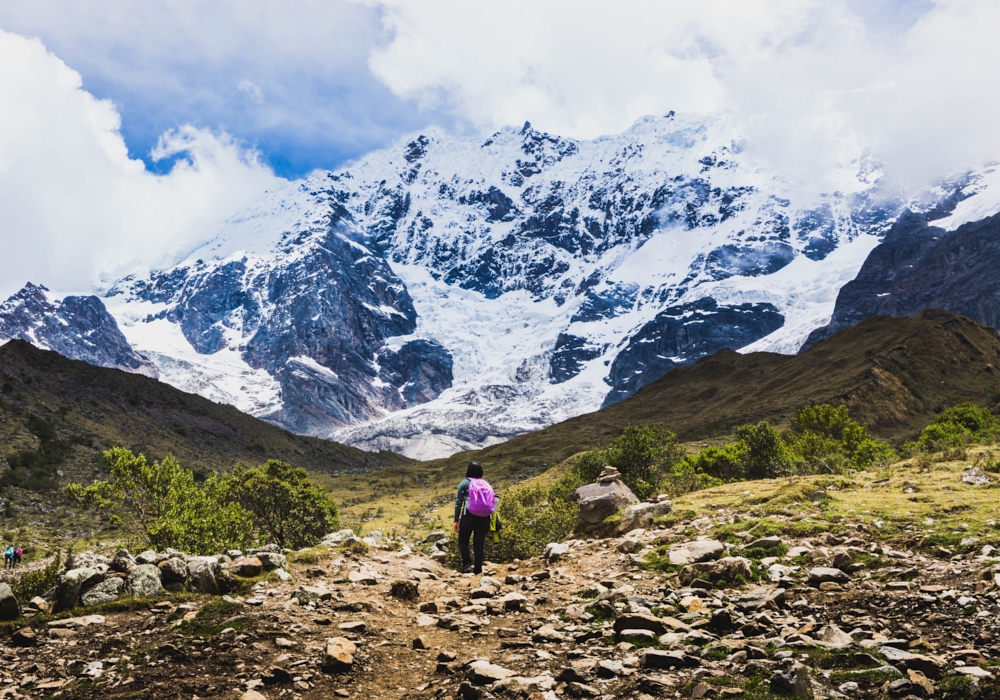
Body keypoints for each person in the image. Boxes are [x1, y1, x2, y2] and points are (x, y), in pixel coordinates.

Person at [453, 461, 496, 574]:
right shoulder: (486, 484)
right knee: (478, 544)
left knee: (463, 541)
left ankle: (467, 565)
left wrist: (456, 520)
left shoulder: (464, 483)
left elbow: (458, 503)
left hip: (468, 516)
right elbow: (493, 502)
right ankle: (478, 569)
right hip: (485, 517)